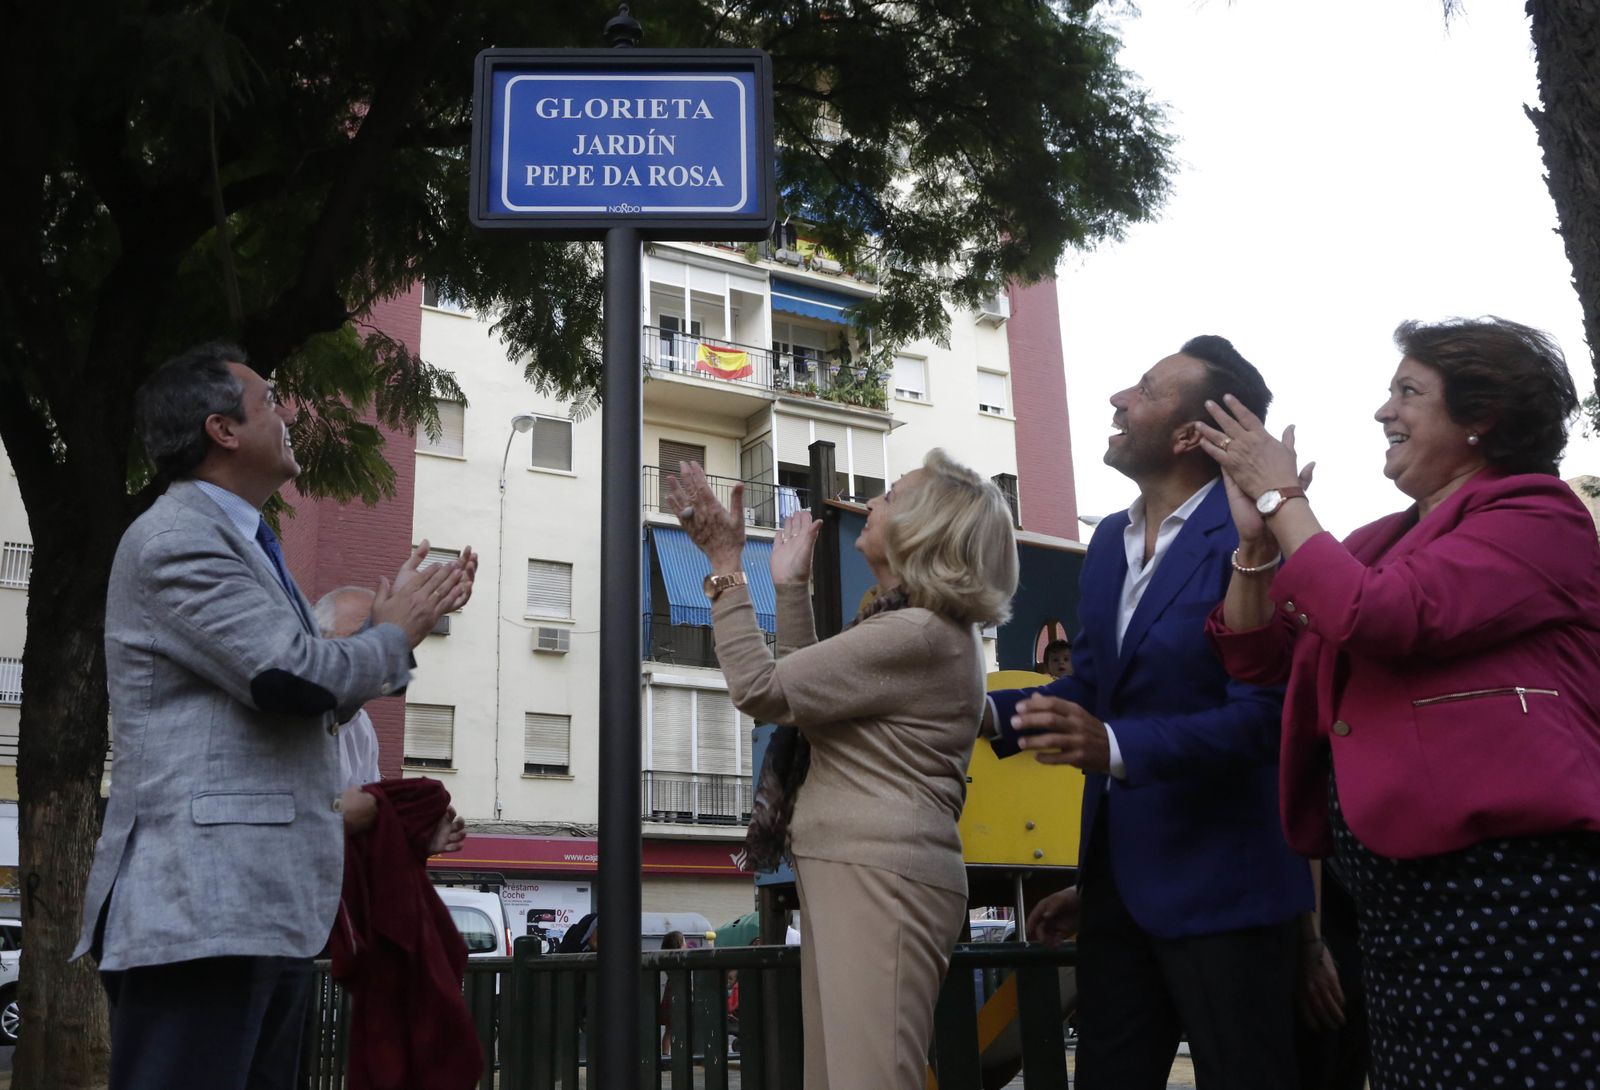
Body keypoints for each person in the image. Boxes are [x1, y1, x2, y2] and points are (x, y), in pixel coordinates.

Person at [1200, 317, 1600, 1090]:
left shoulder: (1538, 515)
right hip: (1399, 905)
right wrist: (1254, 544)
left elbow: (1377, 616)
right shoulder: (1377, 539)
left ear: (1482, 418)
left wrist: (1281, 493)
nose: (1384, 412)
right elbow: (1256, 657)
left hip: (1507, 896)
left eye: (1409, 391)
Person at [72, 342, 475, 1090]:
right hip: (201, 914)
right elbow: (291, 680)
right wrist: (394, 634)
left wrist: (390, 632)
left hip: (261, 911)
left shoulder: (246, 540)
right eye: (269, 401)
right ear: (222, 430)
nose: (287, 414)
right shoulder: (176, 539)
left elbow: (304, 700)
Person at [991, 336, 1314, 1090]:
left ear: (1187, 435)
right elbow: (1096, 689)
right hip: (1116, 895)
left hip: (1227, 894)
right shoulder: (1107, 539)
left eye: (1144, 388)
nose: (1118, 400)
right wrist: (979, 715)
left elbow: (1266, 717)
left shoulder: (1257, 537)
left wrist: (1113, 745)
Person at [664, 450, 1018, 1090]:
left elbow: (762, 689)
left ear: (924, 528)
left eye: (892, 494)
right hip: (864, 868)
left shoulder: (918, 632)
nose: (872, 502)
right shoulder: (913, 629)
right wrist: (791, 590)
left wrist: (723, 569)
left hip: (883, 872)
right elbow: (807, 702)